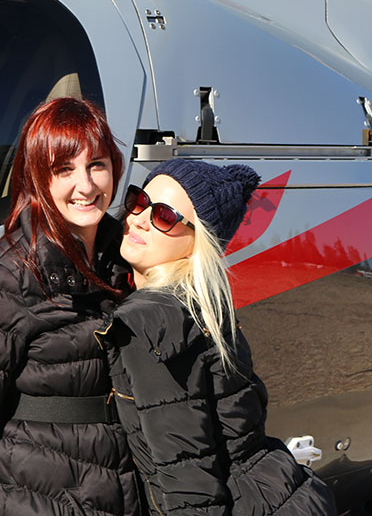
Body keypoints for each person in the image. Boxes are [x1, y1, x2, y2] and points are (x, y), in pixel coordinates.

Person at [0, 97, 142, 516]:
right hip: (43, 497)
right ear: (37, 179)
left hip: (122, 488)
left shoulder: (129, 259)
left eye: (96, 164)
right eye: (64, 170)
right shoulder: (2, 279)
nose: (85, 185)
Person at [96, 159, 338, 516]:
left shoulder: (149, 321)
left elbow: (188, 482)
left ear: (198, 242)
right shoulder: (205, 305)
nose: (141, 219)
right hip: (276, 491)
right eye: (138, 201)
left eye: (164, 216)